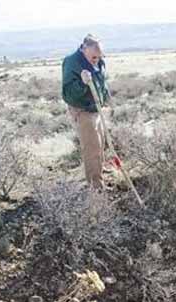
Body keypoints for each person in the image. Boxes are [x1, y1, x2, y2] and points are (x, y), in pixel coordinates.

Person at [61, 34, 110, 189]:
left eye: (99, 57)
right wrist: (82, 83)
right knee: (92, 147)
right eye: (94, 57)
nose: (97, 60)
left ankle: (99, 172)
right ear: (84, 49)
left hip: (97, 108)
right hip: (83, 110)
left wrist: (105, 98)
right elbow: (68, 94)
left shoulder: (98, 60)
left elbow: (102, 81)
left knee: (101, 143)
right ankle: (96, 186)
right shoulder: (72, 62)